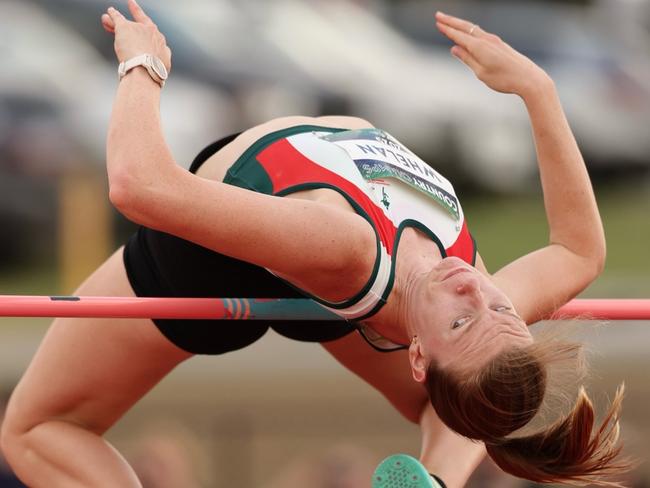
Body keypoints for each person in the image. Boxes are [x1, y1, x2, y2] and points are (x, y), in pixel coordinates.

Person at [0, 1, 629, 487]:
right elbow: (579, 253)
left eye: (462, 321)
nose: (475, 288)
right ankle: (435, 480)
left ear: (417, 356)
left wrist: (143, 64)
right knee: (468, 396)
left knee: (36, 429)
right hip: (330, 300)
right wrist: (538, 91)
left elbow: (138, 184)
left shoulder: (342, 245)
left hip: (204, 269)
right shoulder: (476, 297)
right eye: (499, 309)